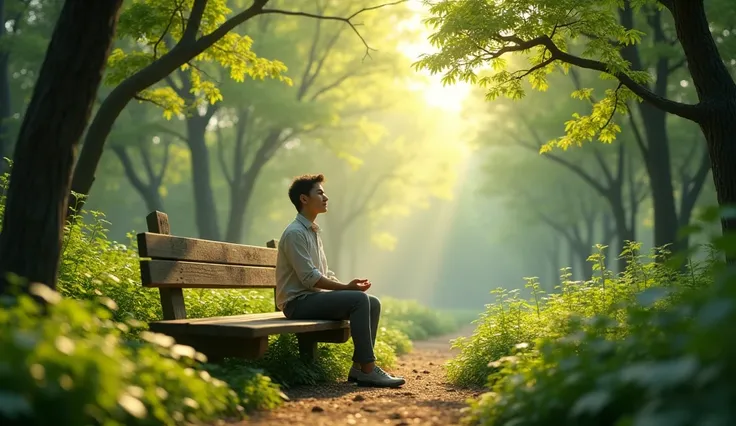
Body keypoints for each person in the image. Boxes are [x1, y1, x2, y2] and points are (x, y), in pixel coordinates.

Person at [274, 173, 406, 388]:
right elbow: (310, 278)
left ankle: (358, 369)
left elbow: (323, 272)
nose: (325, 197)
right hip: (297, 303)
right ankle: (369, 369)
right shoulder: (295, 233)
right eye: (319, 193)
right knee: (359, 300)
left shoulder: (312, 231)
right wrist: (346, 289)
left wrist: (348, 286)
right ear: (304, 199)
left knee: (372, 302)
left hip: (311, 299)